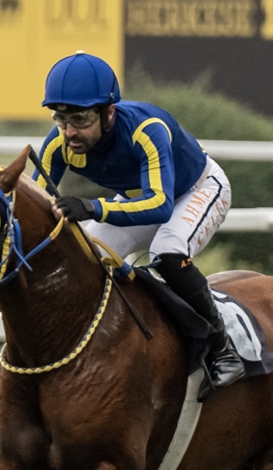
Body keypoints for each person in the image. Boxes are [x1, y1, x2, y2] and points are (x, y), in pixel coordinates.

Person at [34, 51, 244, 391]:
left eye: (81, 119)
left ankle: (224, 349)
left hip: (197, 189)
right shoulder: (58, 143)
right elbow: (36, 202)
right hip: (141, 197)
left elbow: (160, 206)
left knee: (168, 250)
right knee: (87, 254)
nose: (70, 131)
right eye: (61, 118)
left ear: (109, 113)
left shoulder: (147, 130)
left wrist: (92, 207)